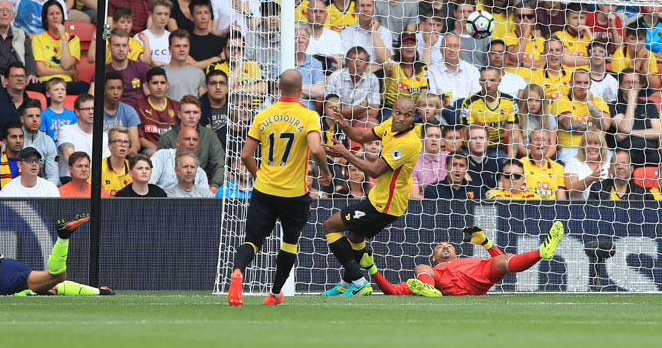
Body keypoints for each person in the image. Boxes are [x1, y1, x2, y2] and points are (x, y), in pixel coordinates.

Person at [227, 69, 330, 306]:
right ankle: (274, 294)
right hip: (294, 194)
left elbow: (245, 154)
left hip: (264, 190)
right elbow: (315, 149)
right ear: (300, 87)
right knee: (290, 242)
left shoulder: (263, 115)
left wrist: (259, 176)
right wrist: (325, 172)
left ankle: (238, 272)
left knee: (252, 240)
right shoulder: (308, 116)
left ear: (279, 87)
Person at [319, 96, 419, 297]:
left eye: (406, 115)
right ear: (393, 111)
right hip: (379, 200)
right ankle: (345, 285)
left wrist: (345, 153)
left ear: (413, 117)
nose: (400, 118)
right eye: (398, 112)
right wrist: (345, 125)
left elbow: (375, 171)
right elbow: (362, 136)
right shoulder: (390, 125)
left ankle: (360, 282)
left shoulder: (408, 143)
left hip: (384, 205)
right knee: (355, 236)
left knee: (330, 225)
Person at [360, 222, 565, 297]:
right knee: (420, 267)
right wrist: (372, 269)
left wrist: (485, 243)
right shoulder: (429, 271)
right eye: (440, 246)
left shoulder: (469, 260)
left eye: (449, 245)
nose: (445, 246)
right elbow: (393, 291)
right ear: (435, 256)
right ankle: (431, 292)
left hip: (478, 278)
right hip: (443, 285)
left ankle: (542, 252)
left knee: (503, 260)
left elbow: (500, 259)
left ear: (456, 253)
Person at [0, 216, 114, 296]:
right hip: (6, 268)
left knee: (56, 278)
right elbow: (1, 259)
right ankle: (99, 292)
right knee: (51, 284)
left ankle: (63, 238)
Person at [157, 95, 225, 188]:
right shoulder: (166, 138)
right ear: (179, 114)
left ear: (200, 115)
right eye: (187, 112)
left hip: (204, 187)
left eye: (195, 112)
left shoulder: (210, 135)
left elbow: (219, 164)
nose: (192, 116)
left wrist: (214, 186)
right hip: (172, 188)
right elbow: (161, 169)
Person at [550, 69, 612, 164]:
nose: (582, 86)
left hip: (597, 149)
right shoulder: (561, 101)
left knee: (613, 165)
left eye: (585, 83)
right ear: (571, 83)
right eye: (578, 82)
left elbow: (605, 126)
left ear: (590, 84)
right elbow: (569, 125)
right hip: (571, 149)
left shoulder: (599, 102)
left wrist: (590, 104)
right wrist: (595, 130)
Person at [32, 0, 87, 95]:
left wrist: (63, 38)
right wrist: (65, 72)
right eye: (51, 14)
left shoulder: (73, 39)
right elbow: (40, 71)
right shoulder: (38, 39)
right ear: (45, 18)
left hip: (67, 84)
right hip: (46, 82)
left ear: (63, 16)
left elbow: (66, 64)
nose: (55, 17)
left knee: (84, 86)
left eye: (58, 13)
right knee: (33, 85)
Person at [609, 69, 661, 167]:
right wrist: (631, 101)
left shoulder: (649, 105)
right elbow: (625, 128)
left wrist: (631, 133)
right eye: (628, 82)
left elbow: (658, 132)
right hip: (626, 155)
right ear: (621, 86)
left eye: (635, 82)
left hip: (650, 153)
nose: (631, 86)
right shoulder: (614, 105)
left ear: (640, 85)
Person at [57, 94, 110, 180]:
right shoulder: (66, 130)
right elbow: (70, 156)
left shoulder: (104, 136)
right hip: (70, 180)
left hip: (96, 181)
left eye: (93, 108)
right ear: (77, 112)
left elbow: (105, 163)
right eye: (86, 109)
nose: (91, 112)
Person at [0, 0, 37, 79]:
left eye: (8, 10)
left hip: (19, 77)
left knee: (36, 85)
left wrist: (31, 74)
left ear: (13, 16)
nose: (5, 13)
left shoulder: (22, 34)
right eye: (0, 10)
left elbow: (28, 57)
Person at [325, 47, 380, 125]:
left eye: (362, 60)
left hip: (361, 120)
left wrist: (346, 112)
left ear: (367, 64)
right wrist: (360, 108)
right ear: (347, 63)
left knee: (372, 123)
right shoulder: (336, 77)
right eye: (353, 60)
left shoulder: (373, 79)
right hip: (338, 120)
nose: (358, 64)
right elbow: (332, 111)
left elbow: (373, 113)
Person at [133, 67, 179, 155]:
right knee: (153, 153)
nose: (159, 87)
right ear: (147, 85)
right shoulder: (137, 106)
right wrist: (161, 151)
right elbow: (140, 139)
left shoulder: (176, 106)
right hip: (149, 151)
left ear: (167, 85)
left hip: (173, 151)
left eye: (162, 83)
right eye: (155, 83)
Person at [148, 126, 210, 190]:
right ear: (177, 142)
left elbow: (204, 198)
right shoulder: (162, 156)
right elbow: (148, 184)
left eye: (195, 140)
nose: (192, 143)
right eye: (187, 139)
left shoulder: (201, 173)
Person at [427, 33, 480, 105]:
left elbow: (476, 99)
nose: (452, 50)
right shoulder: (431, 71)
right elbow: (432, 101)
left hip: (467, 113)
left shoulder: (472, 71)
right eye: (448, 46)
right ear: (441, 49)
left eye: (456, 46)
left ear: (461, 50)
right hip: (441, 114)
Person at [0, 62, 30, 139]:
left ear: (26, 81)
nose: (20, 79)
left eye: (22, 76)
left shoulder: (31, 104)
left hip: (25, 148)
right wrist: (3, 147)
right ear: (6, 81)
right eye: (15, 76)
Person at [20, 100, 60, 187]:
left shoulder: (48, 141)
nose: (35, 120)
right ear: (22, 119)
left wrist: (43, 193)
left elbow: (53, 176)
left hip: (43, 192)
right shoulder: (14, 139)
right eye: (30, 116)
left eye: (37, 116)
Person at [588, 150, 654, 201]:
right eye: (616, 164)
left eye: (624, 163)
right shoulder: (597, 189)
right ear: (610, 169)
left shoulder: (643, 195)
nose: (620, 166)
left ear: (631, 169)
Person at [519, 130, 567, 199]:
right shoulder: (520, 164)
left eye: (543, 140)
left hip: (551, 208)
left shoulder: (558, 168)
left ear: (549, 144)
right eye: (536, 139)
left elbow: (561, 200)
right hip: (527, 208)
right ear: (529, 144)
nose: (539, 143)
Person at [515, 83, 557, 159]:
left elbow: (552, 146)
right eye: (530, 100)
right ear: (524, 101)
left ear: (542, 102)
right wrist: (534, 158)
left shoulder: (549, 117)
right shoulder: (518, 117)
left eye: (537, 100)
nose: (533, 104)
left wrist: (542, 159)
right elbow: (520, 147)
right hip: (525, 155)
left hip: (546, 155)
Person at [564, 130, 609, 201]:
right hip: (579, 209)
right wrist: (590, 179)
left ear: (602, 146)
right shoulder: (573, 162)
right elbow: (571, 191)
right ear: (582, 146)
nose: (592, 147)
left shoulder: (608, 163)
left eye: (596, 143)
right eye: (589, 143)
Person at [163, 30, 206, 101]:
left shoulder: (199, 73)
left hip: (192, 111)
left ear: (189, 48)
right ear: (170, 49)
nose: (182, 49)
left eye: (185, 46)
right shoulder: (161, 73)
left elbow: (202, 102)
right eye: (177, 46)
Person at [410, 123, 447, 199]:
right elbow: (413, 195)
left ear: (442, 140)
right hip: (423, 208)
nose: (434, 139)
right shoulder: (413, 162)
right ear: (422, 139)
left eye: (437, 136)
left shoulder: (450, 157)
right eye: (430, 136)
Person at [466, 124, 501, 190]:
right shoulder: (461, 164)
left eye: (481, 138)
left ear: (488, 141)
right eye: (474, 138)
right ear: (467, 142)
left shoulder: (497, 163)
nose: (478, 141)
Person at [100, 127, 133, 196]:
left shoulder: (133, 168)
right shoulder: (99, 167)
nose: (123, 145)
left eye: (126, 142)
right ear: (109, 146)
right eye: (118, 141)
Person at [200, 70, 228, 148]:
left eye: (222, 83)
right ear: (206, 88)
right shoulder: (198, 108)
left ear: (227, 87)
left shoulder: (235, 106)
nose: (218, 87)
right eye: (213, 83)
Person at [0, 122, 23, 188]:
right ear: (5, 141)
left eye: (21, 137)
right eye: (14, 137)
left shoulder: (30, 162)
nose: (18, 141)